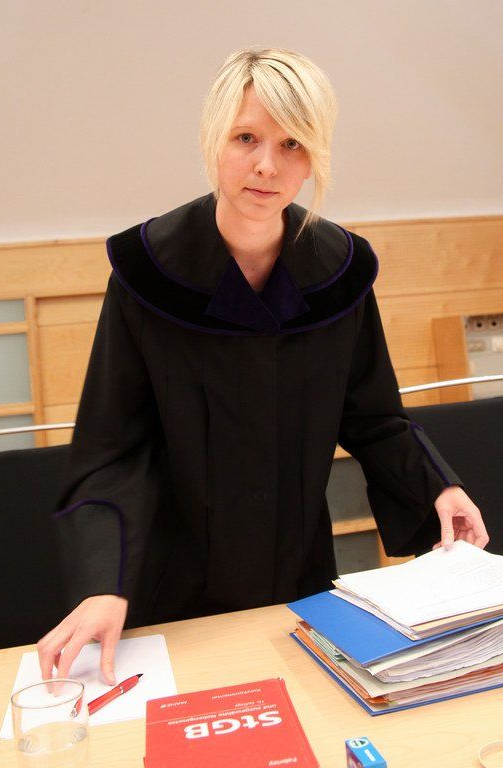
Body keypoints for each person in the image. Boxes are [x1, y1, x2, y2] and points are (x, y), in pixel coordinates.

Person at [37, 47, 488, 686]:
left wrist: (438, 487)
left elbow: (374, 418)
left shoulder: (340, 271)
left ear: (314, 157)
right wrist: (103, 583)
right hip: (171, 586)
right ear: (213, 140)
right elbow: (112, 448)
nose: (267, 166)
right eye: (246, 138)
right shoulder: (148, 271)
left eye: (292, 144)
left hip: (299, 577)